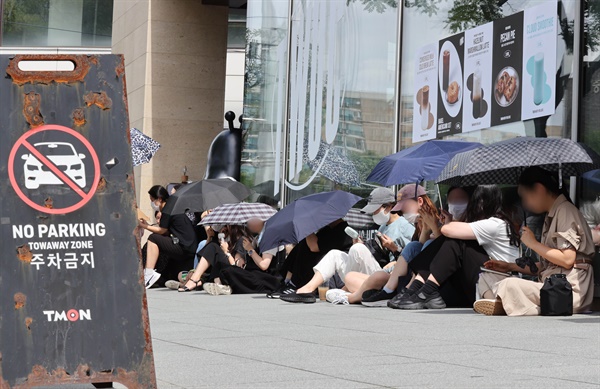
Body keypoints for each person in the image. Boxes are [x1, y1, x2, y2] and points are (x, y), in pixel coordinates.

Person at [473, 167, 595, 316]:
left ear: (539, 189)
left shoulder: (565, 211)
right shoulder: (551, 215)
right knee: (486, 277)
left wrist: (533, 243)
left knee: (509, 284)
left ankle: (508, 302)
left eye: (525, 197)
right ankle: (506, 303)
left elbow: (567, 259)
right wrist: (509, 266)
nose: (524, 204)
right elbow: (546, 265)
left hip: (566, 291)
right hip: (550, 286)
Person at [390, 185, 520, 310]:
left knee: (456, 241)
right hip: (488, 280)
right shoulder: (494, 223)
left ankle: (425, 290)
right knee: (453, 239)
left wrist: (440, 224)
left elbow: (448, 230)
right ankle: (418, 289)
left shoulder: (495, 224)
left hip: (496, 284)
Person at [281, 187, 415, 304]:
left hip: (387, 276)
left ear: (389, 207)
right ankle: (307, 289)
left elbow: (412, 259)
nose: (374, 214)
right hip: (374, 272)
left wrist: (394, 249)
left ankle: (347, 290)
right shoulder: (383, 226)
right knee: (335, 254)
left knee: (357, 249)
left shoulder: (404, 226)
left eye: (375, 210)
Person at [348, 186, 472, 307]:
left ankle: (404, 290)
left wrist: (434, 225)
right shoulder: (417, 222)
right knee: (414, 245)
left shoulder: (441, 219)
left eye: (405, 208)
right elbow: (419, 247)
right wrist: (425, 227)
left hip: (438, 275)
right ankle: (388, 290)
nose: (403, 213)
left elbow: (442, 248)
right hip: (412, 272)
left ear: (419, 201)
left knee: (424, 245)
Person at [269, 219, 353, 298]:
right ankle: (287, 282)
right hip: (322, 263)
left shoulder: (343, 231)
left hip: (336, 273)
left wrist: (307, 228)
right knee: (302, 244)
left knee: (305, 247)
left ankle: (294, 284)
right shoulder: (328, 229)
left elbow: (314, 247)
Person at [138, 185, 199, 289]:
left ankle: (149, 273)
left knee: (153, 238)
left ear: (159, 199)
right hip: (189, 245)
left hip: (184, 246)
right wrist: (147, 224)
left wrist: (144, 226)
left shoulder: (167, 209)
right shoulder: (172, 206)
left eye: (152, 200)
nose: (152, 204)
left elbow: (162, 230)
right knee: (156, 238)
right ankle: (151, 273)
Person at [203, 218, 283, 295]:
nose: (248, 223)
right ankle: (220, 286)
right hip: (254, 274)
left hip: (266, 280)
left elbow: (264, 265)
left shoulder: (270, 238)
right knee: (219, 265)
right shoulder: (258, 238)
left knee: (229, 271)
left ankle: (225, 287)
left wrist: (250, 249)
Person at [178, 224, 244, 292]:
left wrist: (226, 252)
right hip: (215, 270)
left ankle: (195, 280)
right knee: (180, 275)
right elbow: (206, 255)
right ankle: (197, 280)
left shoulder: (240, 240)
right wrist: (209, 238)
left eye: (226, 225)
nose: (223, 229)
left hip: (229, 272)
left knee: (213, 246)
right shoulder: (222, 238)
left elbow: (236, 267)